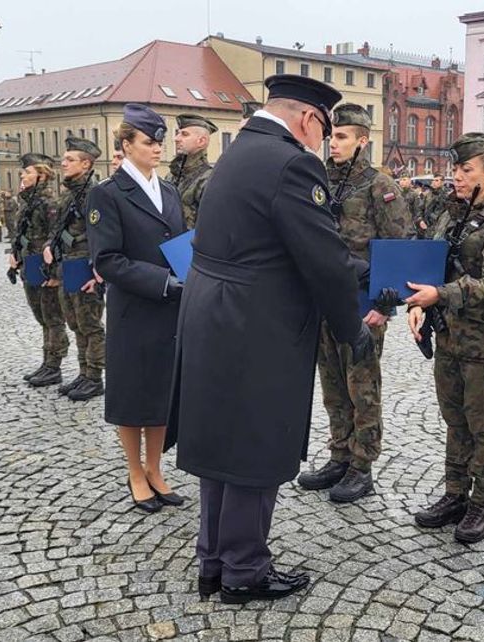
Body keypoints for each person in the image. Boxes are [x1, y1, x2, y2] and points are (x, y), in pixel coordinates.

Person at [168, 74, 370, 604]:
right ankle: (244, 571)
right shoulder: (293, 163)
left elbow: (269, 241)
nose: (320, 144)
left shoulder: (238, 152)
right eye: (323, 132)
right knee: (255, 449)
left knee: (220, 446)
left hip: (212, 314)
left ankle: (214, 561)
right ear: (309, 119)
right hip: (256, 325)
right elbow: (323, 262)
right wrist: (353, 330)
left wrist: (359, 267)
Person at [404, 133, 484, 544]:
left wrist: (444, 294)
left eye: (466, 170)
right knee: (455, 422)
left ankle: (482, 504)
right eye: (455, 169)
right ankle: (455, 494)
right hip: (451, 338)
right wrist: (420, 302)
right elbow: (432, 267)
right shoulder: (449, 216)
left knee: (483, 427)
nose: (456, 176)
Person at [296, 103, 411, 503]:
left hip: (364, 304)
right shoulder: (323, 181)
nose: (334, 144)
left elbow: (398, 248)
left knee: (362, 386)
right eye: (332, 137)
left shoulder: (381, 187)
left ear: (363, 141)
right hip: (325, 300)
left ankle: (363, 466)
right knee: (332, 385)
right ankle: (340, 455)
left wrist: (385, 305)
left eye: (342, 137)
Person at [86, 104, 186, 513]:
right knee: (133, 395)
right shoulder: (107, 193)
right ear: (126, 145)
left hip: (171, 308)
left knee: (162, 394)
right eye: (148, 142)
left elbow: (179, 242)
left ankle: (155, 468)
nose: (158, 149)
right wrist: (162, 280)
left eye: (160, 141)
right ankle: (134, 472)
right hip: (135, 308)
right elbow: (107, 259)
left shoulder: (169, 191)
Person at [44, 137, 105, 401]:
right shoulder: (68, 192)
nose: (63, 163)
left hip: (83, 263)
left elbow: (100, 233)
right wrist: (49, 245)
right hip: (67, 263)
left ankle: (94, 377)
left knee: (90, 324)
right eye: (64, 159)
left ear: (86, 163)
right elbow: (58, 228)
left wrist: (97, 269)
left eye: (69, 160)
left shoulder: (94, 193)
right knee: (75, 322)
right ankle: (83, 372)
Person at [10, 154, 70, 386]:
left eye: (27, 172)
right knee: (41, 316)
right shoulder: (27, 201)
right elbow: (21, 232)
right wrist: (14, 254)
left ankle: (54, 366)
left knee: (53, 317)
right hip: (30, 262)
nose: (23, 176)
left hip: (45, 266)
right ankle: (46, 362)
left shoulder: (49, 203)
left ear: (42, 175)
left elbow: (55, 239)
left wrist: (54, 273)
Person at [170, 114, 217, 230]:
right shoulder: (171, 175)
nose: (176, 139)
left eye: (184, 134)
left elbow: (212, 226)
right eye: (178, 133)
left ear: (201, 141)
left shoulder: (209, 180)